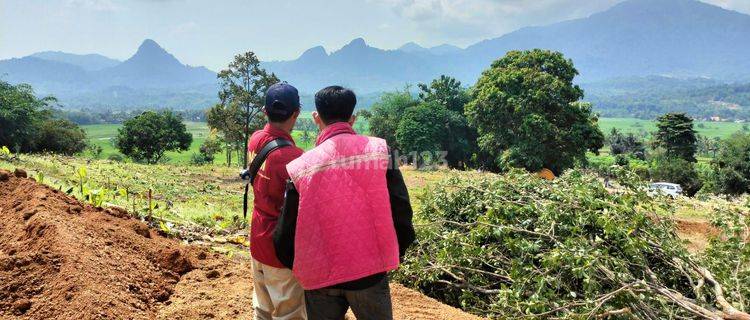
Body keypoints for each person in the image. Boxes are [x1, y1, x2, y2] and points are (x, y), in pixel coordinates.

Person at [274, 86, 415, 320]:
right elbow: (401, 208)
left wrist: (299, 266)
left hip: (319, 276)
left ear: (316, 118)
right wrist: (390, 253)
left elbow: (287, 228)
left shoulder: (300, 167)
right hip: (370, 272)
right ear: (353, 118)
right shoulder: (381, 152)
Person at [246, 82, 306, 320]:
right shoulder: (294, 158)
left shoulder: (256, 139)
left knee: (262, 307)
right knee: (288, 312)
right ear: (296, 113)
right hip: (280, 246)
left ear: (264, 112)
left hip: (257, 235)